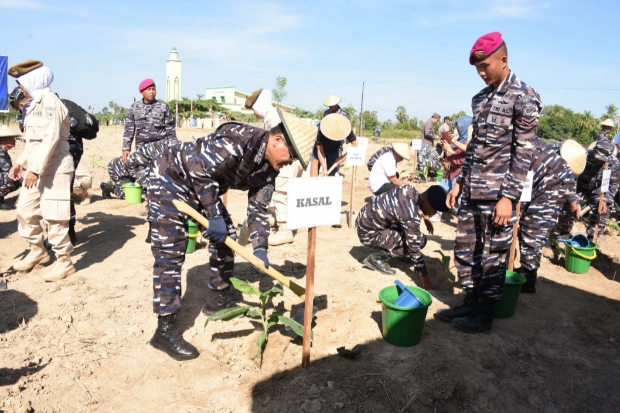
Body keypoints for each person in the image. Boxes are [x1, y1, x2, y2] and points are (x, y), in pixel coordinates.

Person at [147, 114, 314, 361]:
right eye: (291, 156)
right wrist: (214, 215)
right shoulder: (238, 138)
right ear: (278, 140)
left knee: (228, 239)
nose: (290, 164)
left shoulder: (269, 170)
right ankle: (164, 330)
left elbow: (258, 208)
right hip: (170, 179)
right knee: (171, 252)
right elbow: (198, 169)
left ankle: (218, 297)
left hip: (203, 191)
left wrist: (261, 247)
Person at [437, 32, 542, 334]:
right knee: (467, 249)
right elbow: (475, 147)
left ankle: (485, 313)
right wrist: (459, 182)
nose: (481, 73)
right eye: (477, 69)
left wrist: (509, 197)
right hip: (472, 190)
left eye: (486, 66)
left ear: (504, 60)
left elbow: (523, 153)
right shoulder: (480, 99)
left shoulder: (524, 97)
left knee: (494, 254)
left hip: (498, 195)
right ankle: (470, 301)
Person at [8, 60, 77, 281]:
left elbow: (51, 138)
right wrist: (21, 161)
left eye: (23, 82)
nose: (22, 87)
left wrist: (35, 169)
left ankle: (64, 263)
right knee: (24, 211)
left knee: (54, 217)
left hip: (54, 168)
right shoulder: (35, 105)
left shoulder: (50, 103)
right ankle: (37, 250)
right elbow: (33, 142)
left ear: (33, 80)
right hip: (35, 169)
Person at [517, 139, 584, 293]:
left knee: (534, 228)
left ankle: (528, 277)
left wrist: (573, 201)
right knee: (528, 228)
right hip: (540, 182)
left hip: (552, 185)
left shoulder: (564, 166)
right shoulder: (548, 149)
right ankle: (527, 269)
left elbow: (568, 178)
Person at [356, 185, 449, 290]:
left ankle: (397, 252)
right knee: (419, 241)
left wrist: (425, 216)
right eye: (435, 209)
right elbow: (414, 248)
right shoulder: (411, 215)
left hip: (365, 222)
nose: (435, 213)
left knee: (411, 235)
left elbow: (412, 206)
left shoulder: (410, 189)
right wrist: (426, 281)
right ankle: (376, 259)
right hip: (369, 234)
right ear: (427, 202)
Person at [244, 88, 306, 245]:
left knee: (280, 193)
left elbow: (274, 143)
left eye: (254, 109)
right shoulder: (278, 112)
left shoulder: (271, 117)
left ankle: (285, 231)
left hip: (285, 158)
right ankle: (285, 221)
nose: (255, 113)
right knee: (288, 193)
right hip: (295, 158)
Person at [101, 79, 177, 200]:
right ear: (142, 92)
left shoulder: (163, 107)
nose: (152, 92)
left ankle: (152, 198)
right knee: (126, 170)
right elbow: (129, 129)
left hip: (160, 150)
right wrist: (126, 148)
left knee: (157, 176)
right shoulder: (134, 108)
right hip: (141, 152)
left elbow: (171, 132)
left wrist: (173, 151)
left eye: (154, 89)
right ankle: (114, 189)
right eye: (149, 89)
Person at [555, 139, 620, 241]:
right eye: (597, 158)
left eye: (602, 160)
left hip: (597, 188)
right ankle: (564, 231)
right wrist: (573, 201)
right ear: (594, 150)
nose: (599, 161)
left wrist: (606, 200)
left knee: (602, 210)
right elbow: (571, 180)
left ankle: (591, 237)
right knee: (568, 205)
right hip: (578, 186)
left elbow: (614, 184)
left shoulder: (615, 164)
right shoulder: (581, 157)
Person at [437, 116, 473, 220]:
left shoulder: (468, 143)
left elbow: (461, 160)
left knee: (457, 199)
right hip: (452, 173)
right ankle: (439, 212)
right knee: (442, 192)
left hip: (459, 175)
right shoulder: (460, 140)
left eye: (458, 128)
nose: (456, 130)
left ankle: (465, 220)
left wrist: (449, 148)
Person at [313, 95, 357, 177]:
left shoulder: (344, 124)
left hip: (334, 148)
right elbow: (320, 150)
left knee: (332, 173)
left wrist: (343, 157)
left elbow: (354, 143)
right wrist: (324, 168)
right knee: (315, 170)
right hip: (321, 147)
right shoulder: (320, 131)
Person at [0, 126, 22, 210]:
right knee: (11, 179)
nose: (14, 140)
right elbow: (9, 173)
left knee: (15, 181)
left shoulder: (5, 153)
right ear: (3, 140)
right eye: (12, 138)